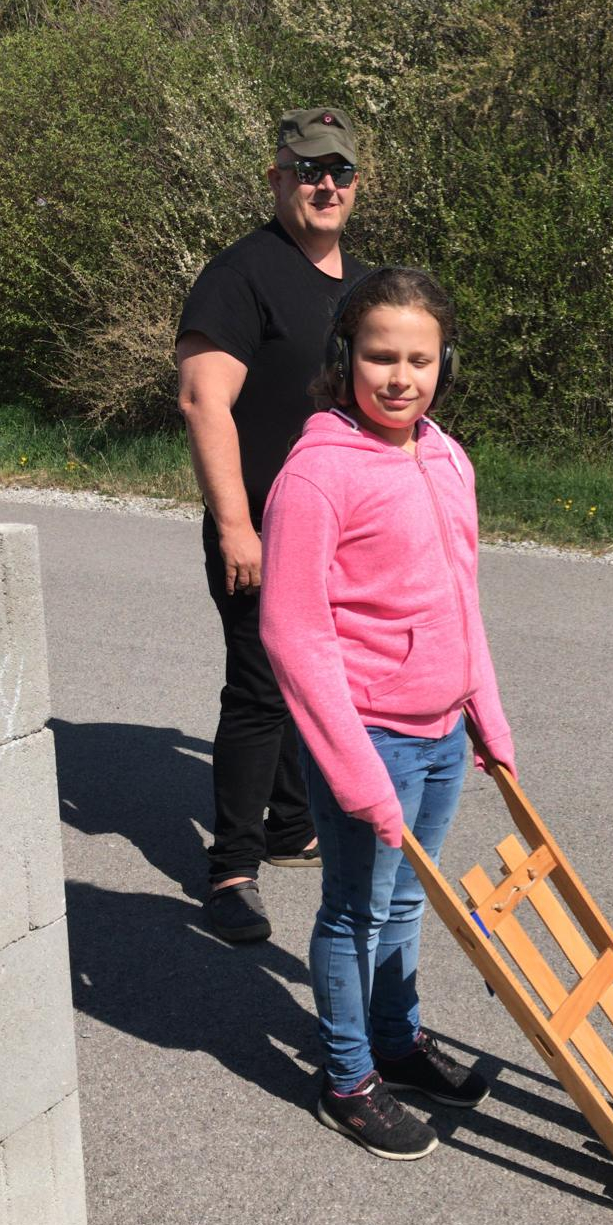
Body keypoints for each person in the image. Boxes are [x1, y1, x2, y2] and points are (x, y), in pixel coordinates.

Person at [260, 267, 516, 1160]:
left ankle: (395, 1042)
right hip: (368, 735)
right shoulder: (317, 474)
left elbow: (461, 598)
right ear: (345, 358)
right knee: (353, 911)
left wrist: (485, 712)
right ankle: (346, 1080)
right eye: (380, 357)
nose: (400, 378)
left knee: (406, 901)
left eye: (420, 359)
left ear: (445, 364)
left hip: (441, 729)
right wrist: (355, 771)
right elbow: (293, 633)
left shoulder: (445, 455)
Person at [176, 107, 368, 945]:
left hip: (339, 530)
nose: (326, 184)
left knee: (313, 679)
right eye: (308, 169)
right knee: (259, 689)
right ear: (277, 177)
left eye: (340, 171)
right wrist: (234, 526)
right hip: (260, 525)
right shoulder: (240, 274)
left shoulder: (361, 286)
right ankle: (231, 869)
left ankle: (292, 827)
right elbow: (202, 399)